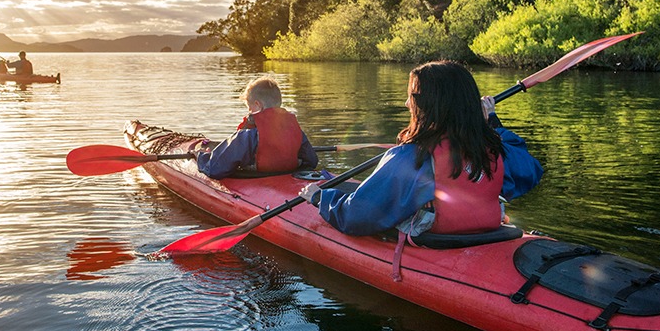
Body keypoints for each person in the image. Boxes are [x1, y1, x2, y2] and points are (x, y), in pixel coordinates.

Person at [302, 61, 542, 238]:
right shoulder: (491, 149)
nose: (407, 104)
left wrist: (320, 198)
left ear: (428, 105)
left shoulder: (410, 158)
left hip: (436, 242)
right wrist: (490, 123)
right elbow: (529, 170)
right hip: (488, 235)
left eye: (412, 97)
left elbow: (356, 216)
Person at [194, 77, 319, 178]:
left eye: (250, 107)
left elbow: (214, 169)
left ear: (258, 105)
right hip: (287, 181)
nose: (249, 111)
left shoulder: (247, 136)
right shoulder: (296, 130)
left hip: (259, 181)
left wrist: (200, 156)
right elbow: (311, 161)